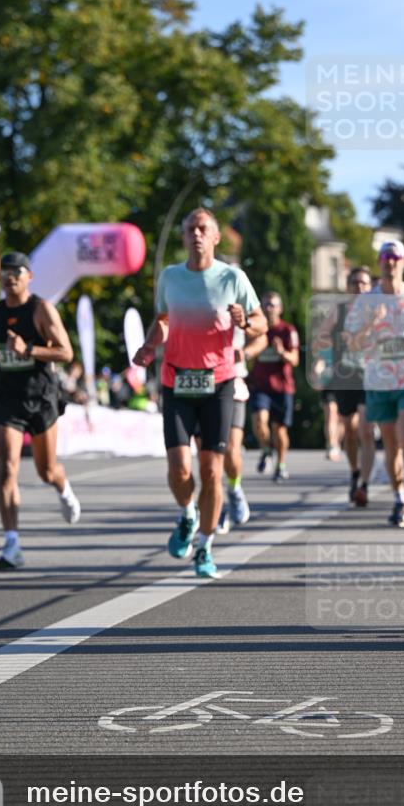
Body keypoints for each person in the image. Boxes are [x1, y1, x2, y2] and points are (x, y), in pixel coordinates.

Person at [133, 207, 265, 578]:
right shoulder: (170, 277)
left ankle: (205, 548)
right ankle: (188, 514)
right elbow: (162, 320)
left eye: (203, 228)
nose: (196, 234)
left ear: (216, 237)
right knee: (179, 469)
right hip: (177, 381)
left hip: (218, 382)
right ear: (183, 236)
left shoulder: (232, 277)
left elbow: (261, 324)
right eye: (191, 228)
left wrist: (246, 321)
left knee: (211, 470)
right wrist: (149, 347)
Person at [0, 251, 81, 569]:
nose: (10, 277)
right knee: (7, 469)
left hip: (41, 396)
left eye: (17, 272)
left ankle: (63, 489)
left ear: (29, 277)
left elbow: (66, 352)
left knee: (46, 470)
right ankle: (12, 544)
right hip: (7, 397)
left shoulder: (41, 309)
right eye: (5, 272)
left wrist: (29, 350)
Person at [345, 240, 404, 527]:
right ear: (379, 262)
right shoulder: (366, 301)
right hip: (378, 382)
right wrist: (370, 324)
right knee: (392, 446)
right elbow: (353, 344)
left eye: (395, 257)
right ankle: (400, 500)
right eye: (385, 256)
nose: (390, 261)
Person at [312, 266, 375, 506]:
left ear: (370, 288)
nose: (360, 287)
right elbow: (320, 338)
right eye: (355, 283)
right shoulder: (339, 311)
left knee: (366, 430)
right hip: (345, 377)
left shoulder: (376, 311)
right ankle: (355, 472)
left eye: (364, 283)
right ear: (348, 287)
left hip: (370, 377)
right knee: (349, 429)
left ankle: (365, 486)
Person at [247, 292, 299, 481]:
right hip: (260, 386)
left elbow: (295, 360)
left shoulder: (287, 330)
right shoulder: (256, 329)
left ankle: (281, 464)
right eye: (266, 304)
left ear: (280, 309)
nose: (269, 308)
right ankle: (266, 450)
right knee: (259, 422)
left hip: (282, 388)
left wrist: (282, 352)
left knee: (280, 430)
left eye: (273, 305)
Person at [216, 322, 252, 533]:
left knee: (231, 451)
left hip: (234, 384)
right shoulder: (191, 294)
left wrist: (245, 351)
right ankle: (217, 508)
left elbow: (261, 331)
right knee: (210, 456)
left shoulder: (237, 292)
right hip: (204, 385)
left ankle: (234, 487)